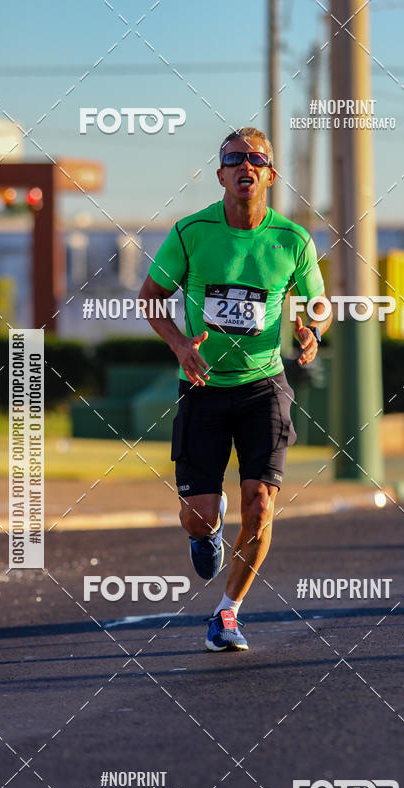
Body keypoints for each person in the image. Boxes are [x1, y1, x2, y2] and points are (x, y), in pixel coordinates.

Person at [141, 126, 331, 651]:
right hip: (201, 388)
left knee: (262, 505)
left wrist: (311, 330)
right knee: (197, 517)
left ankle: (228, 613)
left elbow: (319, 303)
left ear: (270, 175)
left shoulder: (292, 240)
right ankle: (208, 530)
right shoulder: (190, 232)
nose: (245, 167)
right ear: (221, 173)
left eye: (256, 160)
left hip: (263, 387)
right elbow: (151, 294)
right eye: (234, 160)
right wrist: (181, 346)